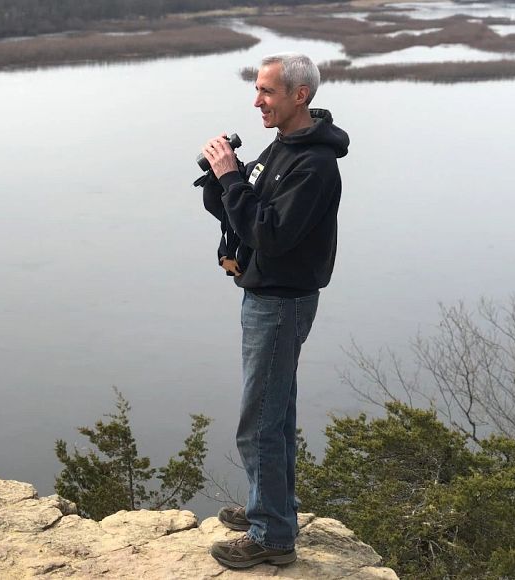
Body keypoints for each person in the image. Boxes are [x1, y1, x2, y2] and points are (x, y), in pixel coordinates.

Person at [200, 53, 349, 569]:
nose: (257, 100)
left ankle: (272, 536)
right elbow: (249, 214)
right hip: (268, 293)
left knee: (259, 421)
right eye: (257, 90)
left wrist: (233, 181)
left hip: (281, 300)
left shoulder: (314, 164)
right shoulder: (284, 147)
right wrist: (226, 182)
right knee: (276, 412)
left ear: (298, 96)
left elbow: (272, 235)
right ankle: (274, 508)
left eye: (266, 91)